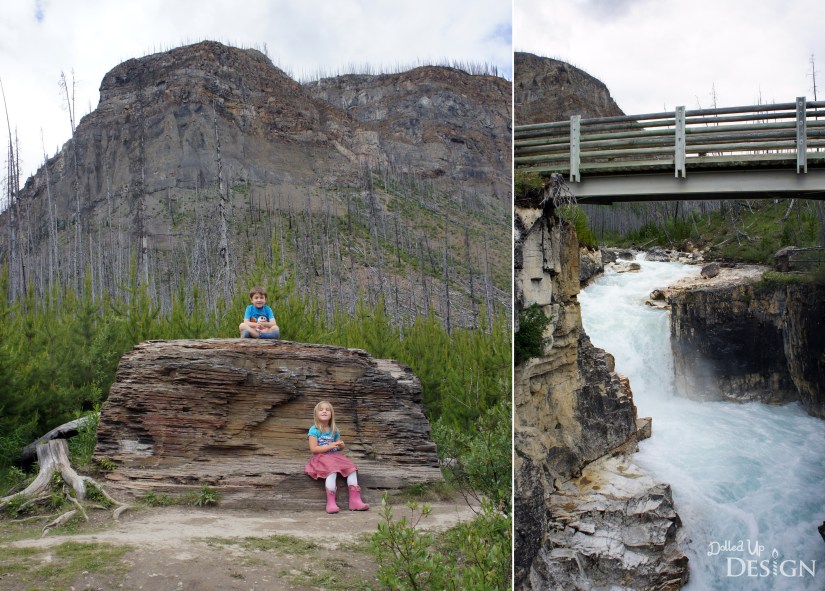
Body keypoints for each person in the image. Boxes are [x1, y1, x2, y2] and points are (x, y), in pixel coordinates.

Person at [304, 400, 369, 513]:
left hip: (334, 456)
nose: (324, 411)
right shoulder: (314, 430)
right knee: (332, 471)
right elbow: (314, 449)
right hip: (321, 457)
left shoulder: (334, 429)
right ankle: (331, 503)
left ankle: (355, 501)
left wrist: (341, 446)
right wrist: (330, 446)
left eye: (327, 410)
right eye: (321, 410)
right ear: (316, 414)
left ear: (331, 414)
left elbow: (337, 446)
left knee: (352, 468)